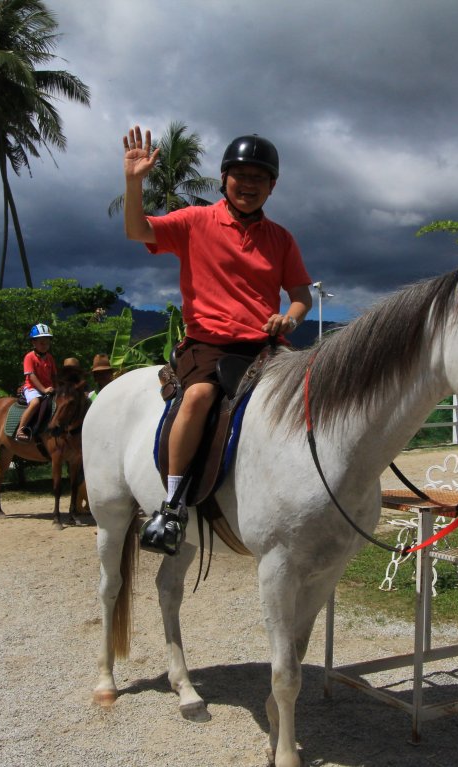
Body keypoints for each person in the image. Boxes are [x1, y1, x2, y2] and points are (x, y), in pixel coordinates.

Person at [121, 125, 312, 555]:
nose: (249, 185)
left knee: (311, 396)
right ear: (224, 179)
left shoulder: (281, 238)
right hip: (208, 345)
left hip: (264, 346)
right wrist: (134, 182)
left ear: (272, 187)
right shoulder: (195, 221)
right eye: (240, 176)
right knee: (199, 397)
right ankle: (171, 506)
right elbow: (137, 231)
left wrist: (291, 318)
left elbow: (300, 296)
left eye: (259, 178)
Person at [15, 323, 57, 441]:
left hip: (48, 388)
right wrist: (43, 390)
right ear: (34, 343)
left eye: (47, 342)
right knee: (35, 403)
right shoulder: (29, 357)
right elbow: (31, 376)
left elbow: (54, 375)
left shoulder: (50, 358)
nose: (45, 345)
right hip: (32, 388)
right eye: (42, 342)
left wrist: (57, 387)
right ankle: (21, 429)